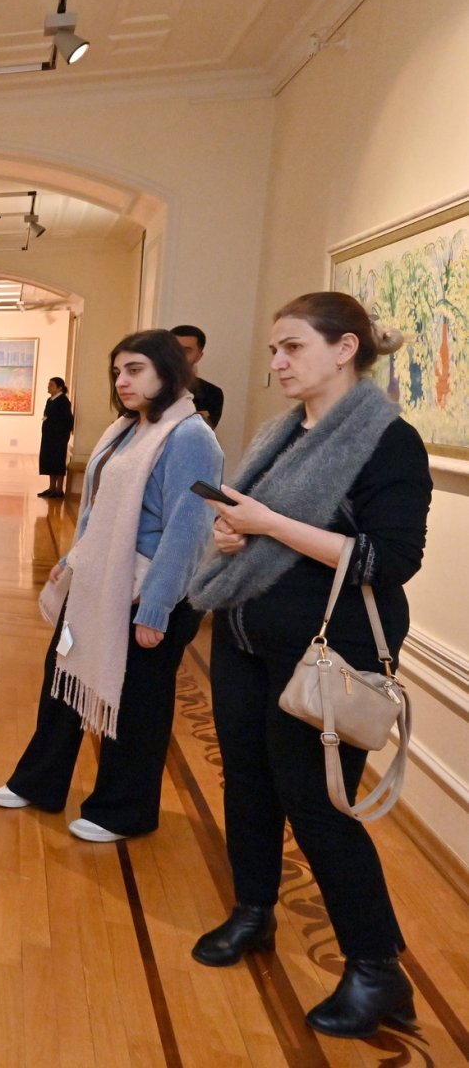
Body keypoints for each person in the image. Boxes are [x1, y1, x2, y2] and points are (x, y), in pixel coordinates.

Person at [187, 292, 430, 1039]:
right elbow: (260, 527)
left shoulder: (388, 441)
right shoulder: (282, 431)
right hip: (246, 634)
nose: (278, 362)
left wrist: (269, 524)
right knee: (247, 782)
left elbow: (390, 560)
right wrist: (235, 536)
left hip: (329, 651)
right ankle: (254, 910)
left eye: (292, 347)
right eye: (274, 349)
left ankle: (376, 970)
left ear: (345, 348)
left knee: (319, 804)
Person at [0, 330, 221, 842]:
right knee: (62, 679)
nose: (122, 381)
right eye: (118, 371)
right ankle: (40, 782)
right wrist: (72, 557)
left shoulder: (191, 437)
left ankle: (123, 810)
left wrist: (156, 608)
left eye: (135, 370)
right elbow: (100, 506)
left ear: (168, 371)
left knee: (137, 705)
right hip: (100, 578)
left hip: (149, 592)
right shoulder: (127, 428)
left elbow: (188, 530)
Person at [172, 323, 224, 430]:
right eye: (174, 349)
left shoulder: (211, 394)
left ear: (198, 356)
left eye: (186, 351)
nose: (178, 355)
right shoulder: (147, 386)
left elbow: (200, 433)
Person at [37, 376, 74, 498]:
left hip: (58, 438)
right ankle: (51, 487)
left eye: (51, 385)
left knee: (58, 461)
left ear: (59, 388)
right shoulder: (50, 400)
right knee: (49, 461)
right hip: (49, 437)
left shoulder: (63, 401)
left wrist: (60, 434)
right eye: (49, 384)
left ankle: (58, 489)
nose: (48, 387)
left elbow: (68, 421)